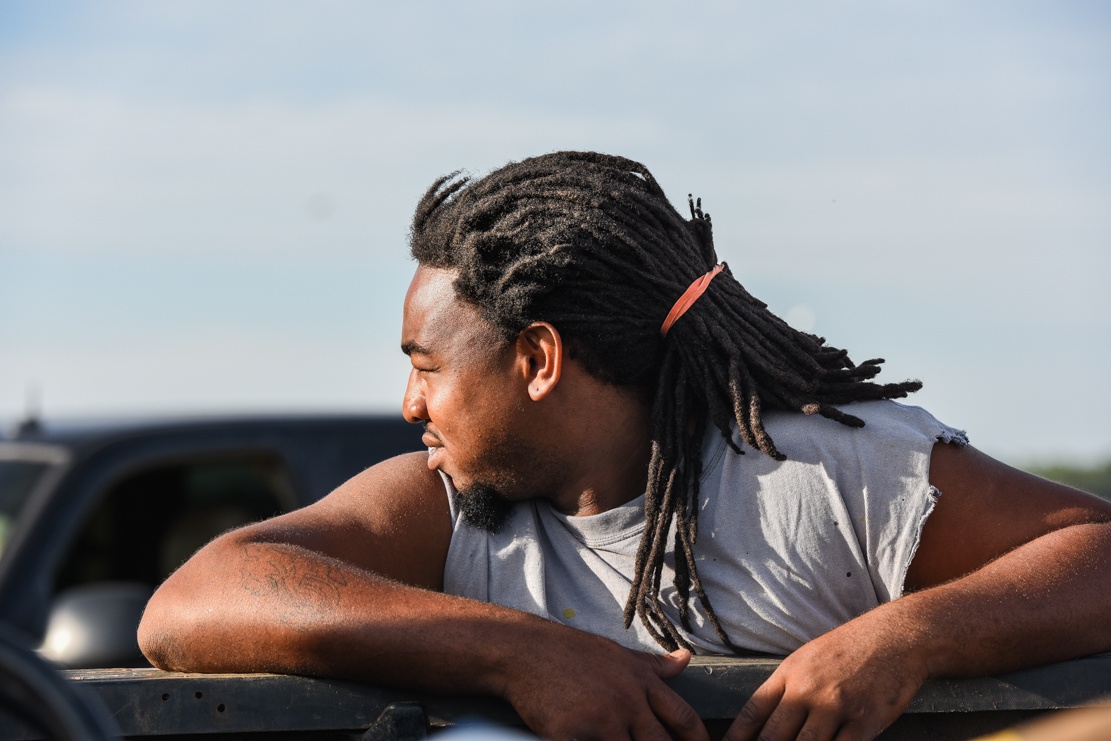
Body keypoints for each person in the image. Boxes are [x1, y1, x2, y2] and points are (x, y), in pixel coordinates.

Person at [138, 151, 1111, 741]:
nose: (407, 405)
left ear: (537, 358)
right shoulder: (445, 511)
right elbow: (189, 604)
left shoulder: (817, 471)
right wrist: (516, 653)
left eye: (427, 366)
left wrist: (908, 638)